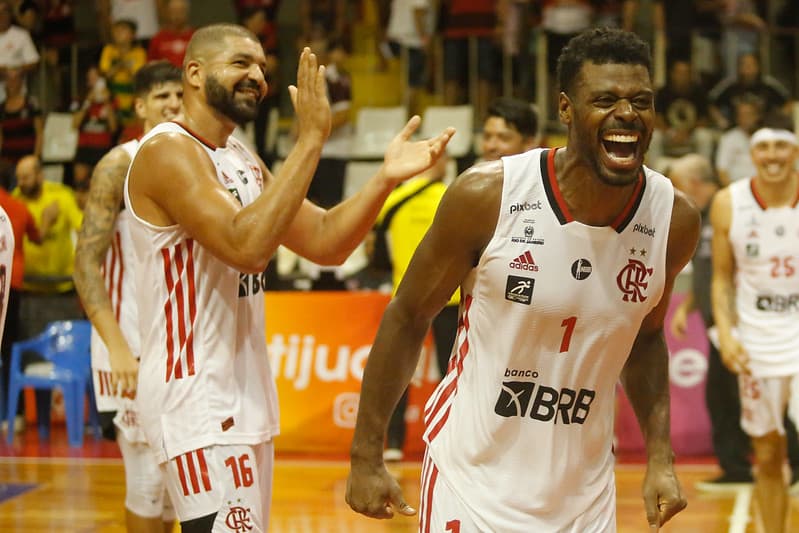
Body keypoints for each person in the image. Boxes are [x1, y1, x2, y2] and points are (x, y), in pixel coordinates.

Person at [347, 27, 696, 531]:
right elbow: (407, 315)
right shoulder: (489, 195)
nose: (627, 113)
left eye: (641, 101)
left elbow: (644, 338)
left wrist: (660, 458)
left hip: (584, 495)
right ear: (566, 109)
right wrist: (366, 454)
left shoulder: (673, 219)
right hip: (471, 481)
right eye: (605, 99)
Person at [125, 24, 453, 532]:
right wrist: (313, 139)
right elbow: (247, 248)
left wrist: (384, 180)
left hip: (244, 395)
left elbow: (326, 240)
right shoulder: (168, 151)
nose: (256, 76)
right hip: (193, 398)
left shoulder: (239, 158)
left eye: (261, 66)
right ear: (193, 73)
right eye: (240, 63)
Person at [383, 97, 540, 461]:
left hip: (516, 316)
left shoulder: (543, 198)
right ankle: (434, 441)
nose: (492, 145)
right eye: (487, 135)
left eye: (503, 136)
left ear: (529, 142)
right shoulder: (466, 193)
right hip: (451, 303)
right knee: (438, 369)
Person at [74, 61, 183, 533]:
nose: (174, 104)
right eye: (162, 97)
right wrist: (116, 346)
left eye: (180, 95)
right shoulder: (120, 163)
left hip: (178, 348)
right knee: (145, 484)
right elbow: (84, 263)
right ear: (139, 106)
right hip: (130, 343)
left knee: (179, 491)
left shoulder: (200, 160)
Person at [710, 118, 799, 533]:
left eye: (782, 147)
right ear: (752, 154)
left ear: (795, 152)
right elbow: (722, 278)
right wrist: (726, 332)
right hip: (757, 339)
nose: (773, 157)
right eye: (764, 148)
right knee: (766, 452)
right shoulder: (730, 202)